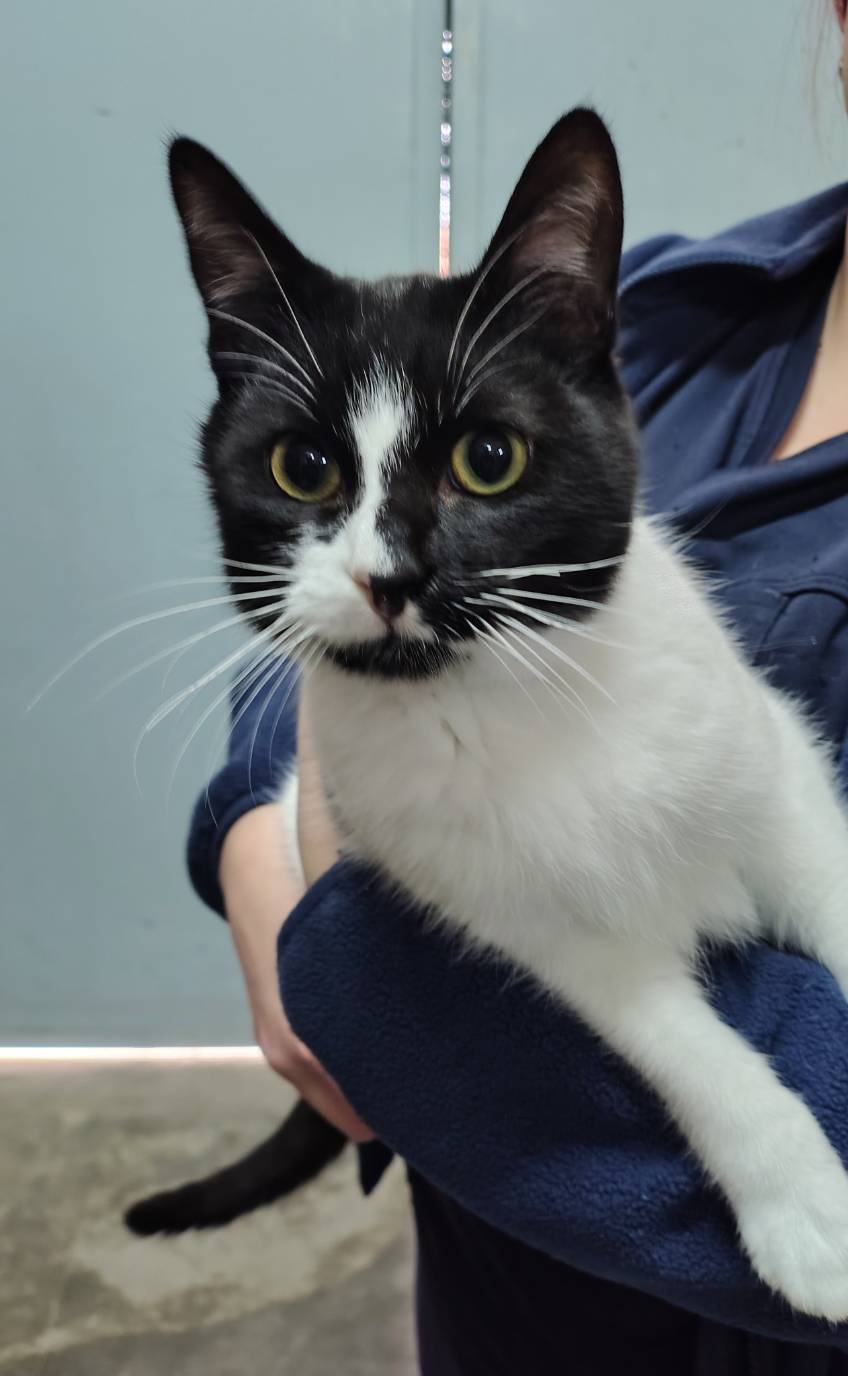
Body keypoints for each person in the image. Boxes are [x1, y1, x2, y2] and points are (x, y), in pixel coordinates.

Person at [187, 4, 848, 1369]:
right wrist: (257, 828)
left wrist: (351, 968)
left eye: (480, 467)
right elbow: (312, 641)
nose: (383, 562)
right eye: (310, 473)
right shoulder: (674, 307)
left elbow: (387, 981)